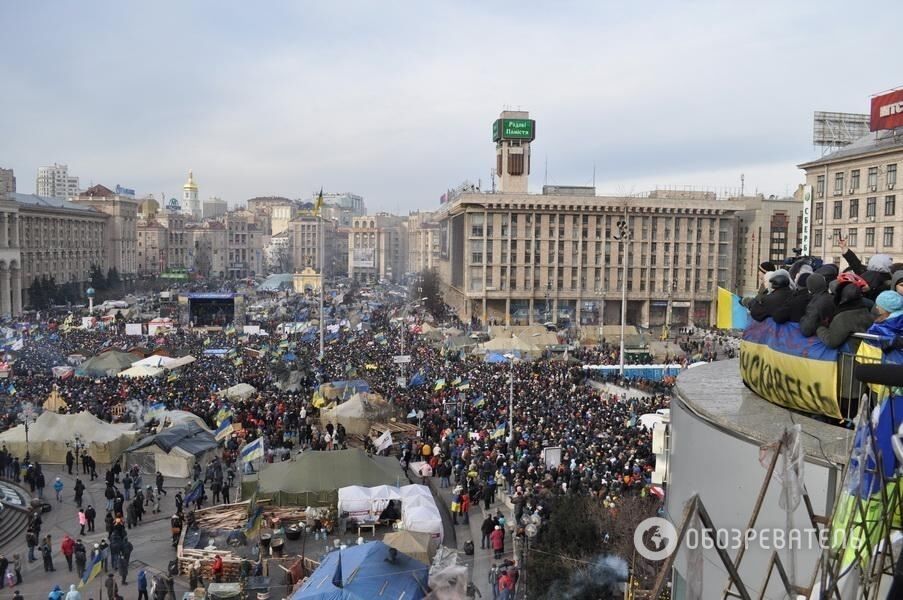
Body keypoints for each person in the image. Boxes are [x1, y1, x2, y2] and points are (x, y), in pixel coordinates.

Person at [817, 274, 874, 349]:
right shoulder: (866, 311)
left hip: (850, 356)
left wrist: (820, 329)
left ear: (841, 298)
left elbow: (831, 342)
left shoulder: (842, 318)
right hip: (865, 353)